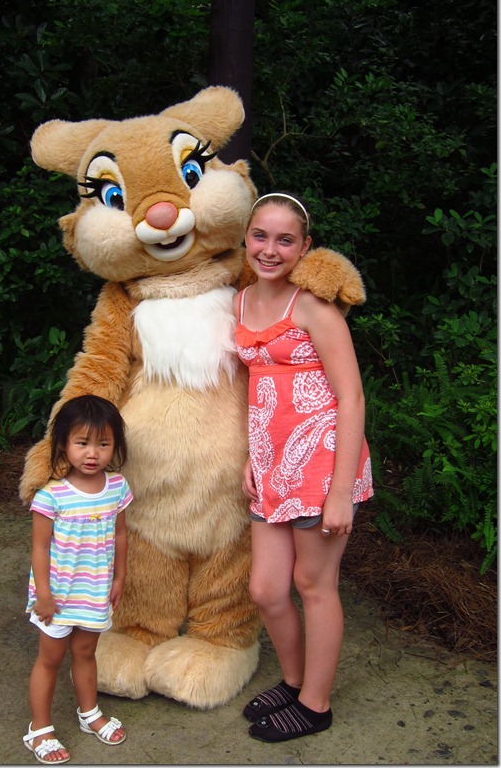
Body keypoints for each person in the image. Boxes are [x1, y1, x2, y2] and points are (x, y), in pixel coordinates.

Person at [233, 192, 373, 743]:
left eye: (285, 240)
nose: (270, 250)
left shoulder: (314, 307)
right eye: (260, 236)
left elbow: (352, 397)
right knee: (267, 590)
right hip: (271, 465)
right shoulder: (240, 302)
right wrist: (252, 454)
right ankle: (293, 682)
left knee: (313, 584)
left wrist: (340, 493)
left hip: (321, 464)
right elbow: (259, 388)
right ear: (246, 238)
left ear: (305, 247)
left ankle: (316, 704)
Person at [22, 394, 132, 764]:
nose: (92, 453)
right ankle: (39, 728)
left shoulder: (117, 487)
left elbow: (121, 535)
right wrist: (44, 595)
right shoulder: (51, 496)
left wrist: (119, 578)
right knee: (49, 660)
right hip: (56, 595)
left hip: (95, 590)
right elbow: (39, 549)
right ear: (63, 444)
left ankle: (89, 714)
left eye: (103, 444)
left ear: (115, 446)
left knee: (86, 653)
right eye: (82, 443)